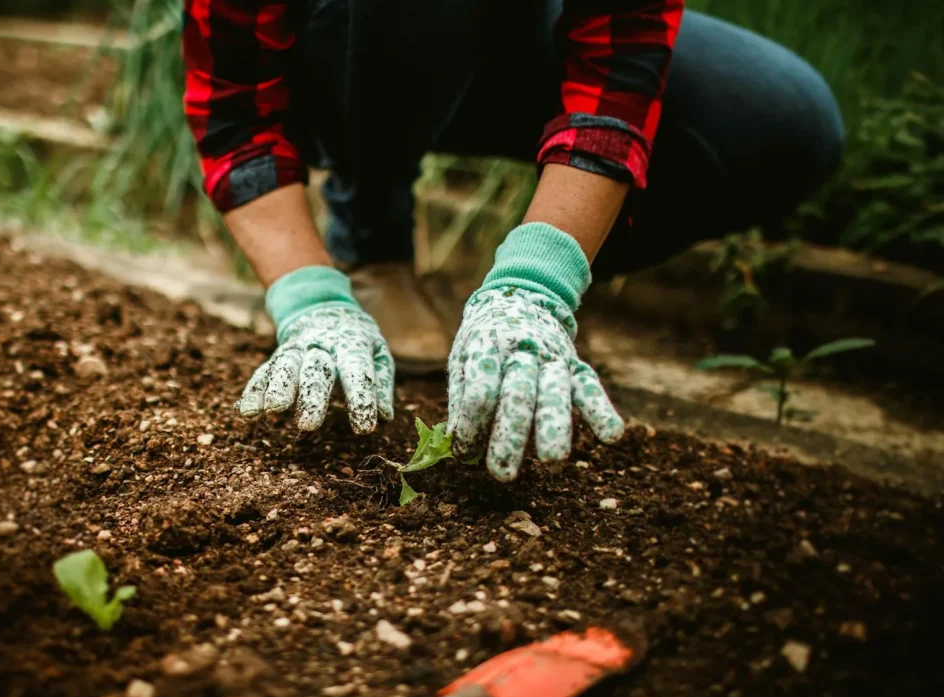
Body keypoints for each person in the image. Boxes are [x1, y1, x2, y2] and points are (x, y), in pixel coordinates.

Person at [181, 0, 844, 480]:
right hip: (338, 44)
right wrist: (310, 301)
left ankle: (518, 301)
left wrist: (535, 283)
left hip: (519, 27)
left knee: (783, 116)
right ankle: (370, 236)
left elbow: (619, 61)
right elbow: (235, 115)